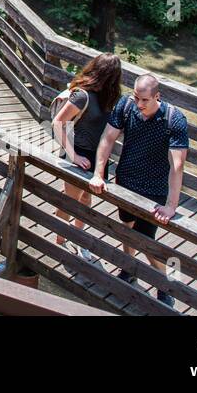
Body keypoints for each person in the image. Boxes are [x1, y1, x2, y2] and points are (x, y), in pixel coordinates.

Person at [90, 74, 189, 309]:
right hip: (125, 182)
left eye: (144, 100)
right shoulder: (125, 106)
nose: (139, 104)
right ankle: (129, 268)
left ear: (158, 96)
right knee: (127, 227)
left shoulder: (174, 119)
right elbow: (107, 138)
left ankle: (166, 286)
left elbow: (178, 165)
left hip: (153, 190)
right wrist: (98, 173)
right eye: (136, 98)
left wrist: (171, 205)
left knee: (146, 240)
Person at [49, 52, 122, 265]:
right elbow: (57, 123)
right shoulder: (83, 95)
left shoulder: (109, 96)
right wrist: (74, 155)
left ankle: (77, 238)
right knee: (70, 200)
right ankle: (60, 239)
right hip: (78, 153)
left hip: (96, 156)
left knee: (86, 200)